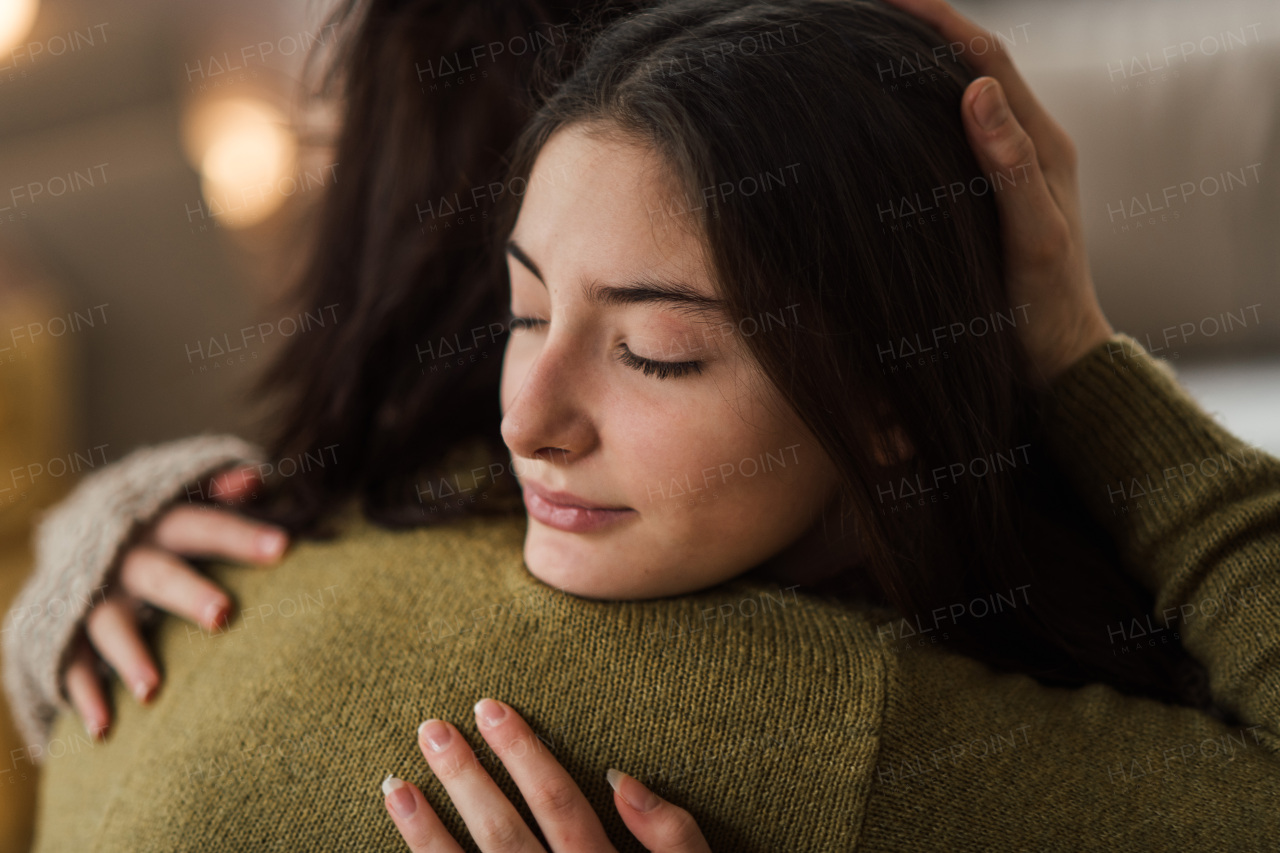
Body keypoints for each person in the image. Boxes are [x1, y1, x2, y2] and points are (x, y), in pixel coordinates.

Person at [8, 0, 1280, 849]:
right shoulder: (833, 724)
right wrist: (1073, 352)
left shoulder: (320, 520)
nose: (529, 420)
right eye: (522, 311)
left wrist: (95, 529)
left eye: (654, 351)